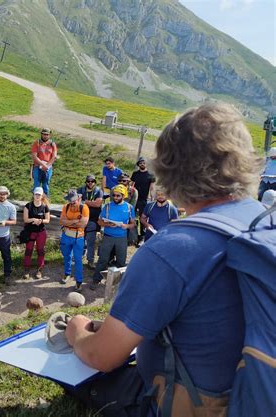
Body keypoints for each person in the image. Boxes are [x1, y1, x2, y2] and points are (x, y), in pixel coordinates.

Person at [63, 103, 266, 416]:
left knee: (81, 376)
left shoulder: (172, 247)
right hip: (256, 392)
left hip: (193, 404)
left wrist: (77, 331)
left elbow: (102, 356)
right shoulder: (265, 222)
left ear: (170, 170)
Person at [90, 184, 135, 290]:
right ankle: (96, 279)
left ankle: (120, 284)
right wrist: (108, 224)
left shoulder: (129, 207)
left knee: (121, 261)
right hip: (108, 237)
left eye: (118, 196)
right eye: (114, 195)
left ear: (123, 196)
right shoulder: (108, 206)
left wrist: (126, 226)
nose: (115, 197)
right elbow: (99, 221)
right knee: (103, 260)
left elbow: (133, 224)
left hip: (122, 238)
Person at [59, 189, 90, 292]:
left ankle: (79, 281)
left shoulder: (84, 208)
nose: (72, 203)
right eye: (70, 201)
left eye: (74, 201)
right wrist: (75, 221)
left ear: (79, 198)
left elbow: (83, 224)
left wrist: (68, 222)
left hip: (78, 237)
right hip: (66, 235)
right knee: (67, 256)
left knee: (77, 260)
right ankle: (67, 274)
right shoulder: (66, 207)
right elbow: (61, 221)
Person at [23, 187, 50, 279]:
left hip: (41, 231)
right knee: (28, 250)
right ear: (33, 195)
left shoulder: (44, 206)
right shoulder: (28, 206)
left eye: (39, 194)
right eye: (36, 194)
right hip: (30, 231)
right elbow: (25, 219)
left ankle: (40, 269)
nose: (37, 196)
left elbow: (47, 220)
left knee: (41, 250)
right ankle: (26, 269)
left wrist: (40, 220)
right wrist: (33, 220)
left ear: (42, 196)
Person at [77, 174, 104, 268]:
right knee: (79, 240)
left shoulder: (98, 191)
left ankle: (90, 261)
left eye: (92, 181)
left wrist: (85, 202)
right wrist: (91, 203)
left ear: (95, 182)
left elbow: (98, 204)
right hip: (81, 219)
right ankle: (79, 257)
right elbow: (77, 202)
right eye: (88, 181)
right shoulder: (80, 190)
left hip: (93, 220)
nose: (90, 183)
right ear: (86, 182)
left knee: (91, 241)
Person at [131, 156, 156, 244]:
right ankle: (132, 236)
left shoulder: (151, 174)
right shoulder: (135, 174)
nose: (142, 164)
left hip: (144, 199)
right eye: (140, 163)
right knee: (132, 217)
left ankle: (142, 236)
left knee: (143, 218)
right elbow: (132, 186)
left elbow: (152, 188)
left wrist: (152, 199)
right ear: (138, 164)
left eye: (144, 163)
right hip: (134, 199)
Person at [31, 128, 58, 195]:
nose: (45, 136)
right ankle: (35, 201)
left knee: (46, 185)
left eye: (47, 134)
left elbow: (54, 156)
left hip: (48, 168)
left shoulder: (52, 144)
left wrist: (47, 165)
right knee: (36, 185)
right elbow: (34, 156)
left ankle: (46, 202)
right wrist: (42, 165)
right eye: (43, 134)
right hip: (37, 166)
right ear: (41, 134)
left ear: (49, 135)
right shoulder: (36, 143)